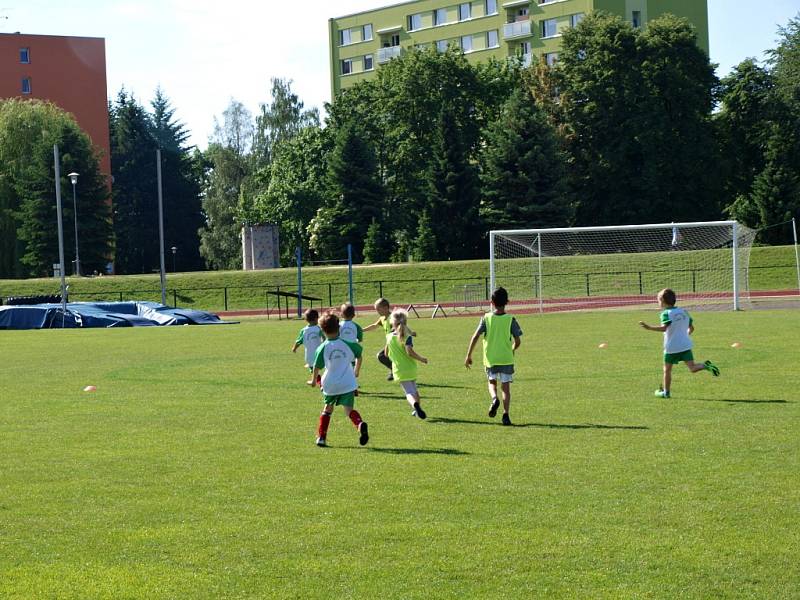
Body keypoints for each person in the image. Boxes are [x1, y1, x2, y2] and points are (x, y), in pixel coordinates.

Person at [639, 288, 720, 398]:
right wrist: (684, 336)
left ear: (662, 301)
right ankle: (706, 366)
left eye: (658, 300)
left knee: (667, 370)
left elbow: (664, 328)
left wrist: (649, 328)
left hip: (672, 347)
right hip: (685, 345)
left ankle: (666, 393)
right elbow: (691, 328)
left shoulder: (666, 314)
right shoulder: (684, 312)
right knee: (692, 367)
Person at [464, 287, 522, 426]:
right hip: (506, 358)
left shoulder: (486, 318)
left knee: (491, 382)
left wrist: (468, 355)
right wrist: (512, 349)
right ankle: (506, 415)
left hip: (491, 359)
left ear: (491, 302)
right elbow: (518, 340)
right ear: (507, 301)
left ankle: (494, 398)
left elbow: (475, 336)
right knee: (506, 388)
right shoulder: (511, 319)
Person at [310, 312, 369, 448]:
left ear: (322, 330)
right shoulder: (348, 344)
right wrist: (357, 371)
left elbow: (317, 367)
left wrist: (313, 381)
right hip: (348, 383)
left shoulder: (322, 347)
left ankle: (322, 438)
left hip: (330, 384)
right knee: (349, 410)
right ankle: (360, 424)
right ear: (339, 328)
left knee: (327, 409)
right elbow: (359, 355)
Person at [385, 308, 428, 419]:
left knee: (409, 393)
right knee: (415, 390)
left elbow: (386, 353)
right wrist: (421, 358)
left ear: (392, 323)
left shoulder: (389, 337)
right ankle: (417, 409)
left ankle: (415, 405)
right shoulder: (407, 336)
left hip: (399, 369)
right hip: (410, 367)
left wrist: (393, 356)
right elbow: (410, 352)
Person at [363, 297, 395, 381]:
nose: (377, 312)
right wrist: (362, 330)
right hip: (390, 343)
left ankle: (396, 372)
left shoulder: (393, 318)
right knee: (384, 356)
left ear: (386, 308)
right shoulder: (382, 318)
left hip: (395, 343)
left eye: (378, 309)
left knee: (382, 356)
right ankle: (394, 371)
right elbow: (374, 326)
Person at [291, 308, 323, 386]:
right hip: (320, 352)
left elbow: (298, 341)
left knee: (312, 368)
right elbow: (325, 338)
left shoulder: (304, 330)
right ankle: (321, 382)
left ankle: (319, 381)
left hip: (309, 354)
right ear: (316, 318)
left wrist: (294, 348)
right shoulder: (319, 329)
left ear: (306, 320)